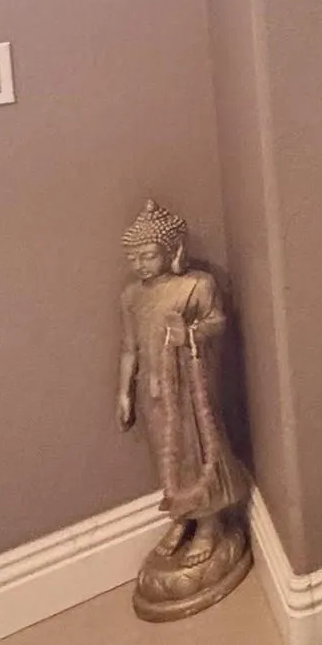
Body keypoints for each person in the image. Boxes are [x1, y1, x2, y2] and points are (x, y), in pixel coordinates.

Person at [117, 199, 250, 618]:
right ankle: (182, 514)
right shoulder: (132, 297)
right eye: (134, 257)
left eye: (149, 254)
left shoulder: (196, 285)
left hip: (189, 389)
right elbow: (129, 348)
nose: (141, 264)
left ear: (173, 250)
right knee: (166, 455)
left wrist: (188, 332)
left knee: (196, 450)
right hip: (153, 390)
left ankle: (210, 522)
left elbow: (218, 323)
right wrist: (124, 391)